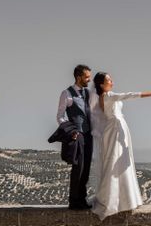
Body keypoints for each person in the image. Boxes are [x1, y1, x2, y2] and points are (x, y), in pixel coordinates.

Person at [91, 72, 151, 220]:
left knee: (122, 161)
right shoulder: (107, 96)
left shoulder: (107, 95)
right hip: (115, 130)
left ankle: (125, 199)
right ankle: (114, 200)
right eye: (108, 80)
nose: (112, 81)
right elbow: (128, 95)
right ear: (101, 84)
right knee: (114, 162)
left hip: (118, 128)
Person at [56, 65, 93, 210]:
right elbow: (60, 116)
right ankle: (74, 201)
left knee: (86, 169)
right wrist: (71, 131)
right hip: (77, 136)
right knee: (78, 168)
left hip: (89, 135)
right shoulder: (67, 93)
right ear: (79, 77)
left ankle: (82, 200)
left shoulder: (89, 93)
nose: (89, 80)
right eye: (87, 77)